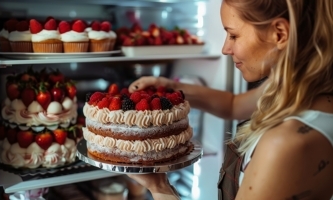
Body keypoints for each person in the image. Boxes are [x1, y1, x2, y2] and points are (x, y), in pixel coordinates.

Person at [127, 0, 333, 199]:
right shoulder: (301, 91)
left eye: (233, 35)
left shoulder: (284, 144)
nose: (225, 49)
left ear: (279, 33)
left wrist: (159, 186)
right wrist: (169, 89)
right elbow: (234, 105)